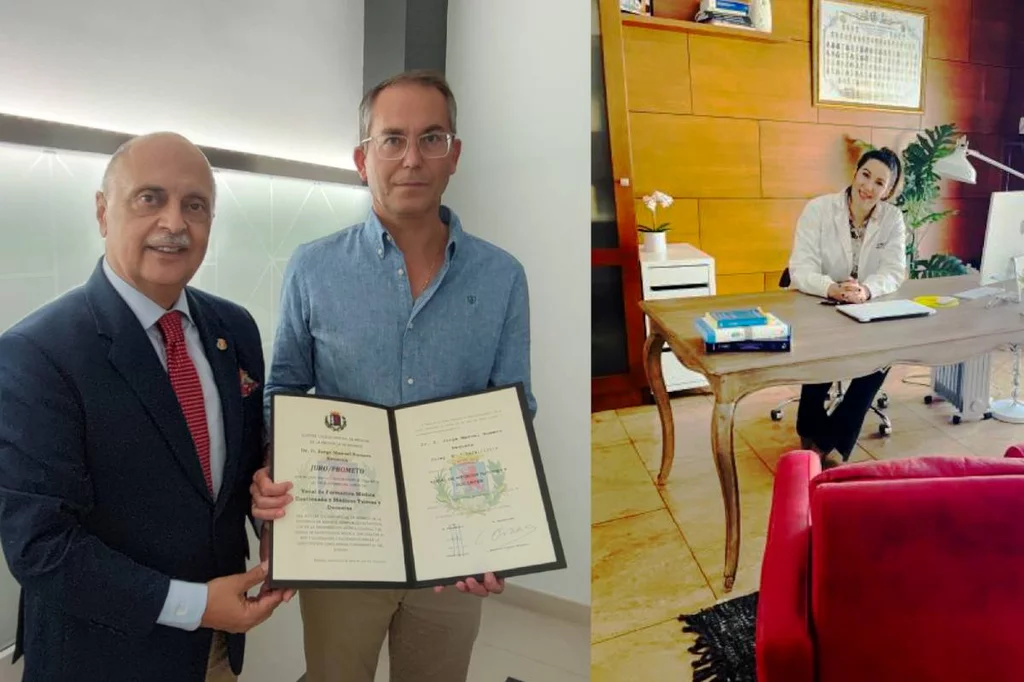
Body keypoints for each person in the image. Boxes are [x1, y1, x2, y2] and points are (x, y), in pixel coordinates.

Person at [250, 70, 537, 682]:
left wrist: (502, 532)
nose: (412, 159)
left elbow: (513, 408)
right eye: (392, 139)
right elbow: (285, 392)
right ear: (362, 158)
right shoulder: (313, 268)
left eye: (432, 138)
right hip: (342, 538)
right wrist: (280, 507)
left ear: (455, 154)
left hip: (454, 545)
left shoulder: (501, 276)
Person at [0, 132, 291, 682]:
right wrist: (197, 605)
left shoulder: (234, 329)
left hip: (215, 652)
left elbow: (245, 472)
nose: (175, 223)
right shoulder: (37, 354)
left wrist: (270, 513)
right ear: (103, 212)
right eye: (149, 198)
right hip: (101, 658)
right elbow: (41, 547)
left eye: (195, 205)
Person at [787, 147, 907, 465]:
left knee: (882, 356)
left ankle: (827, 442)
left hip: (864, 305)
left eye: (880, 183)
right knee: (822, 354)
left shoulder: (892, 219)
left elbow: (894, 271)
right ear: (855, 173)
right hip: (818, 300)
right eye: (866, 175)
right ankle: (814, 434)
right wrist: (831, 288)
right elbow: (800, 268)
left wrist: (867, 290)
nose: (869, 187)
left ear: (889, 190)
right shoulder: (819, 209)